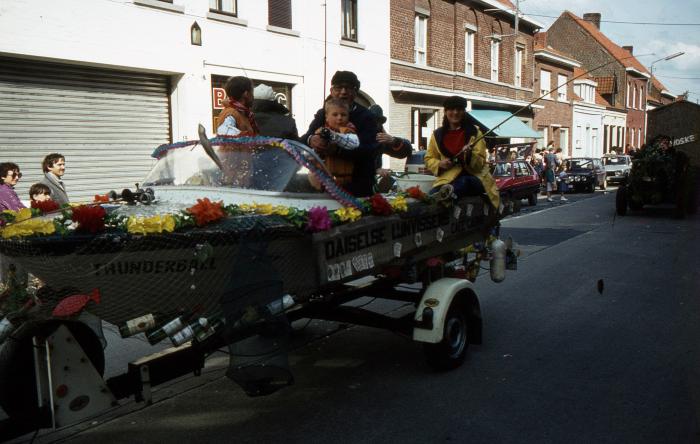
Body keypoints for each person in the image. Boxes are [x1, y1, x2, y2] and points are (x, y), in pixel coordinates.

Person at [301, 70, 378, 197]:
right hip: (324, 185)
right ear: (332, 91)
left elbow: (370, 150)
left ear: (355, 92)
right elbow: (303, 139)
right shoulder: (322, 113)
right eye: (338, 87)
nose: (343, 91)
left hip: (356, 187)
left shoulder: (367, 116)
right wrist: (311, 139)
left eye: (348, 88)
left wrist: (337, 150)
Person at [423, 96, 499, 209]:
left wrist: (469, 155)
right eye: (451, 109)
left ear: (464, 112)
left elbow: (480, 164)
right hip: (447, 180)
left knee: (464, 182)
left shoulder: (474, 132)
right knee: (431, 194)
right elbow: (428, 158)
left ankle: (447, 196)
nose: (455, 112)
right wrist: (439, 164)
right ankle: (443, 195)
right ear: (445, 112)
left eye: (459, 109)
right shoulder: (437, 135)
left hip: (475, 178)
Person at [308, 97, 360, 189]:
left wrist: (333, 136)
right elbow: (312, 152)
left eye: (343, 115)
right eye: (335, 115)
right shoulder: (320, 131)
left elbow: (354, 143)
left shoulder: (349, 131)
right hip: (323, 179)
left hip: (344, 182)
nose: (339, 118)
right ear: (326, 117)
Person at [368, 104, 412, 179]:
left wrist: (394, 141)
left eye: (378, 122)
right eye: (372, 121)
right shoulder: (357, 136)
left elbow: (407, 151)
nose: (375, 125)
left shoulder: (380, 139)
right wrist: (374, 170)